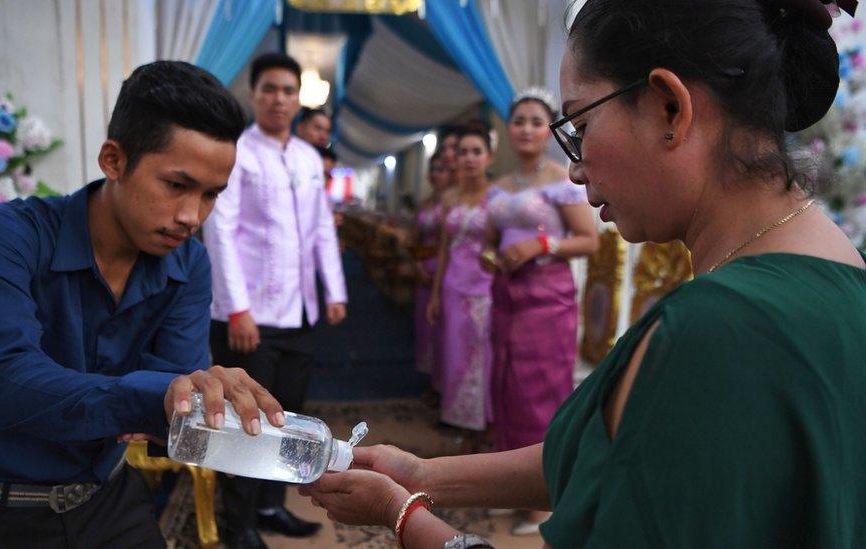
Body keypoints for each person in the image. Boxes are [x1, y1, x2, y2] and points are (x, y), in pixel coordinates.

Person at [302, 0, 866, 547]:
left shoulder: (711, 329)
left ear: (670, 107)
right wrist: (425, 474)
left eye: (581, 124)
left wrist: (400, 514)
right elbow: (612, 445)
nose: (573, 170)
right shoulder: (838, 267)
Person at [0, 61, 287, 548]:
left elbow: (174, 413)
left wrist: (201, 396)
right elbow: (4, 383)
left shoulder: (190, 265)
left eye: (211, 195)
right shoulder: (7, 235)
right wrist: (153, 397)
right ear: (113, 160)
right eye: (176, 185)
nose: (191, 216)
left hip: (109, 497)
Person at [203, 52, 347, 549]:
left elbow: (323, 229)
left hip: (299, 309)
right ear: (254, 95)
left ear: (297, 98)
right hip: (250, 316)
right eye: (270, 89)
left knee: (287, 417)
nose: (279, 99)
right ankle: (237, 524)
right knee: (247, 423)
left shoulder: (308, 156)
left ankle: (270, 507)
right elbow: (219, 230)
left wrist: (335, 289)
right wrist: (237, 308)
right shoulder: (237, 150)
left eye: (288, 90)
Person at [482, 88, 599, 535]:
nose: (526, 129)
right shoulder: (500, 186)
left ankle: (541, 497)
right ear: (508, 130)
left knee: (537, 393)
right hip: (505, 296)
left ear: (549, 129)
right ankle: (503, 486)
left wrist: (542, 244)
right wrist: (490, 257)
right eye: (518, 121)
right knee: (505, 387)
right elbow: (490, 242)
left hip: (547, 300)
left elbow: (588, 241)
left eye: (535, 121)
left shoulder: (563, 179)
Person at [426, 125, 495, 448]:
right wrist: (436, 294)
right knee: (455, 357)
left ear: (489, 157)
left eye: (476, 152)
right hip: (454, 287)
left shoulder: (498, 197)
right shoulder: (450, 197)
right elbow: (443, 249)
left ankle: (486, 428)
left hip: (486, 290)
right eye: (463, 152)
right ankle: (465, 428)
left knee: (482, 361)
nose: (469, 159)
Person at [412, 151, 451, 389]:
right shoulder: (424, 204)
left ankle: (444, 385)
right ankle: (432, 382)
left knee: (446, 331)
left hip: (447, 270)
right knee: (427, 329)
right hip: (424, 269)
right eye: (433, 169)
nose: (436, 174)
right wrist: (417, 266)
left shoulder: (454, 202)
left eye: (442, 169)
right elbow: (415, 240)